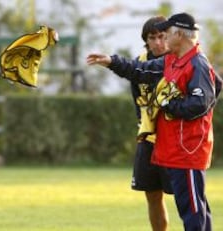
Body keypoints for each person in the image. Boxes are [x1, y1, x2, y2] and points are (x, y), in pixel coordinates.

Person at [87, 12, 222, 231]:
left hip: (188, 148)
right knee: (192, 209)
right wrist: (112, 61)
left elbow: (199, 104)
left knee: (194, 212)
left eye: (167, 32)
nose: (164, 37)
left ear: (179, 34)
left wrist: (168, 104)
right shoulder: (173, 59)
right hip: (176, 149)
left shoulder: (197, 63)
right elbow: (140, 70)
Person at [130, 16, 172, 231]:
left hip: (175, 142)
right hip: (149, 141)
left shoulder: (180, 61)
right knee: (152, 195)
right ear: (146, 40)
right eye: (152, 37)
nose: (158, 42)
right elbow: (139, 101)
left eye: (162, 36)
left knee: (187, 197)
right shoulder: (139, 64)